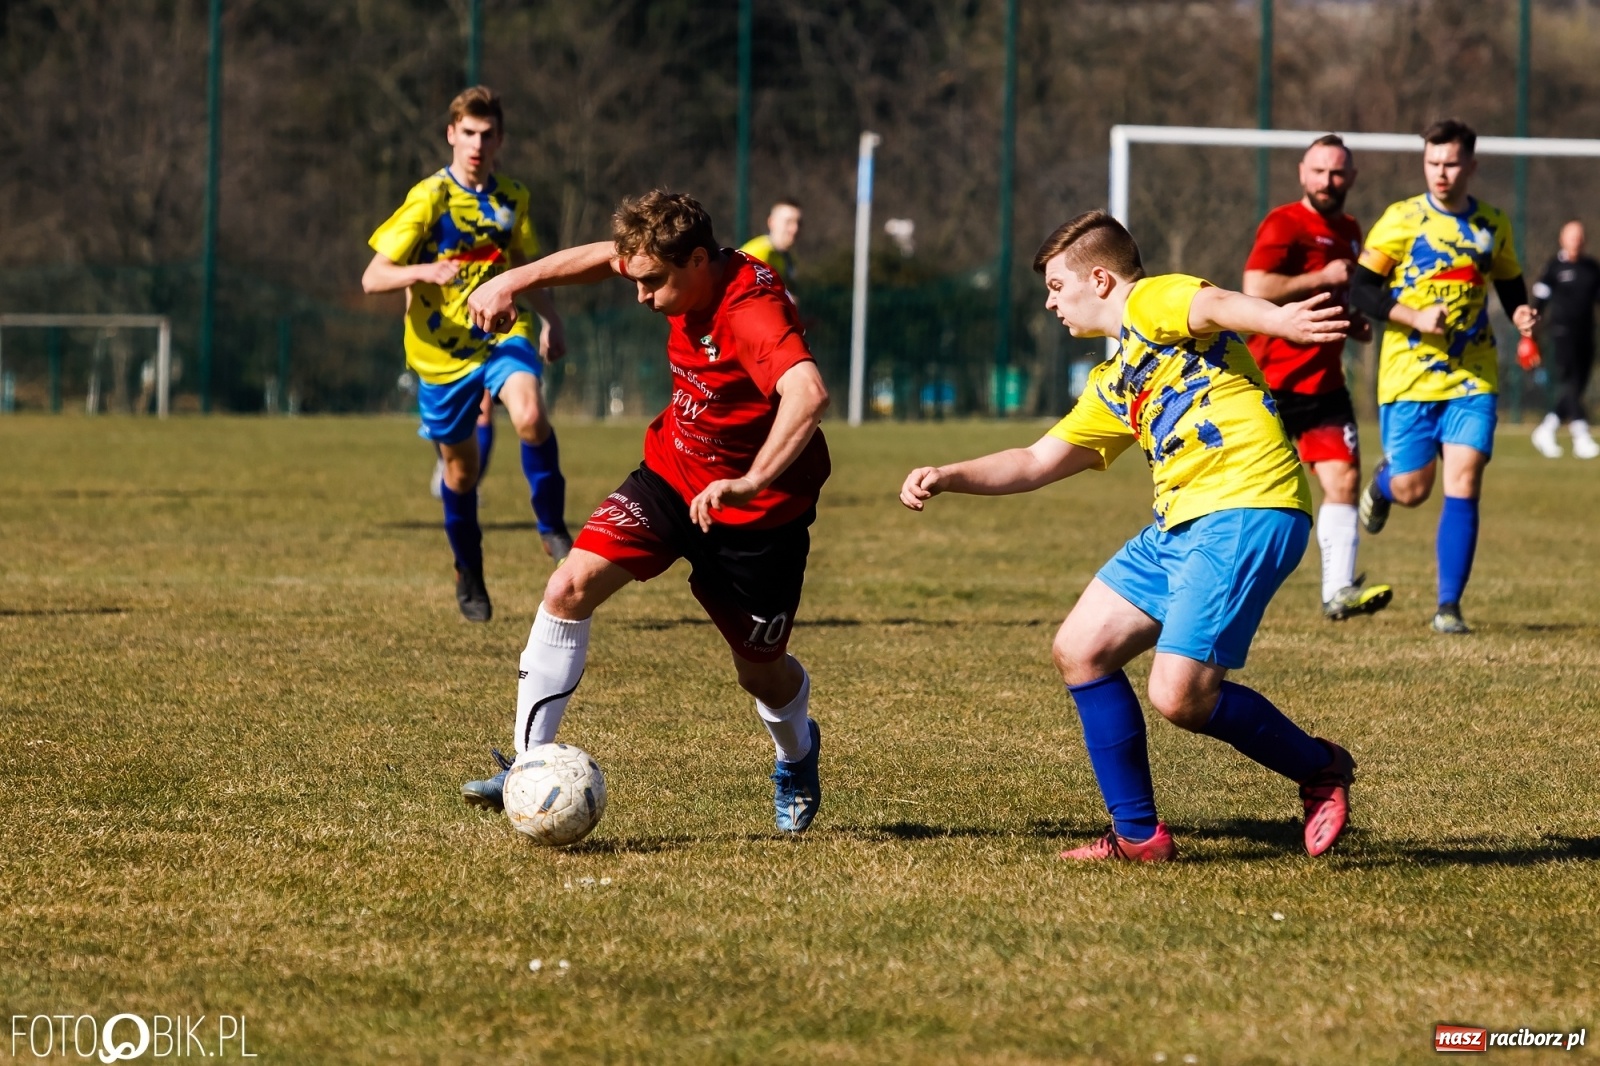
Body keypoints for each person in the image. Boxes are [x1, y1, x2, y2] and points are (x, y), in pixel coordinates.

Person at [899, 210, 1357, 863]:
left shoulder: (1151, 299)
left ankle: (1319, 768)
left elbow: (1215, 304)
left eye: (1057, 287)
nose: (1051, 302)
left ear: (1100, 279)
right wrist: (949, 475)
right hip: (1179, 525)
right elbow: (1036, 460)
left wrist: (1282, 320)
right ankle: (1139, 836)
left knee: (1179, 695)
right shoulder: (1115, 381)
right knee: (1081, 649)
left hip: (1246, 506)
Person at [459, 190, 833, 833]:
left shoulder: (752, 312)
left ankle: (797, 753)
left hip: (756, 514)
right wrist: (510, 282)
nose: (640, 296)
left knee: (761, 672)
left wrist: (749, 482)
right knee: (569, 586)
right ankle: (528, 763)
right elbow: (607, 259)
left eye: (653, 283)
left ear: (697, 260)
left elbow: (809, 393)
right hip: (669, 476)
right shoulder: (668, 264)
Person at [362, 85, 573, 623]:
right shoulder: (429, 198)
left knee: (529, 414)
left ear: (500, 139)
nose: (477, 143)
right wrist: (422, 271)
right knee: (460, 475)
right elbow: (373, 277)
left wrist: (550, 319)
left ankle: (551, 525)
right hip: (440, 354)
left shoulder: (512, 198)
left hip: (502, 333)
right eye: (468, 133)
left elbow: (526, 265)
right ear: (452, 134)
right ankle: (469, 570)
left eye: (488, 134)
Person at [1351, 119, 1538, 635]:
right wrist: (1413, 317)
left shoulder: (1492, 224)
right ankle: (1384, 486)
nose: (1441, 172)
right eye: (1433, 162)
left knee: (1465, 478)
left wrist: (1522, 314)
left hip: (1472, 374)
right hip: (1409, 376)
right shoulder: (1400, 219)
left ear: (1471, 166)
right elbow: (1361, 292)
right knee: (1414, 489)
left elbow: (1510, 285)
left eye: (1451, 163)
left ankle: (1448, 607)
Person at [1243, 135, 1391, 622]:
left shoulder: (1351, 228)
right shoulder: (1283, 222)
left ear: (1351, 178)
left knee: (1344, 480)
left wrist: (1352, 320)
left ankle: (1338, 591)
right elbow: (1256, 288)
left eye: (1338, 173)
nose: (1329, 181)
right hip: (1271, 382)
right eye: (1320, 171)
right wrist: (1321, 278)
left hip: (1325, 385)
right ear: (1302, 172)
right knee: (1251, 494)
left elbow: (1338, 296)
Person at [1529, 220, 1600, 460]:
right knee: (1569, 381)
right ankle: (1581, 434)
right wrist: (1529, 335)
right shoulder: (1553, 268)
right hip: (1560, 333)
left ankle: (1547, 428)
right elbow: (1539, 302)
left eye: (1579, 238)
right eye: (1572, 237)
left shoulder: (1592, 268)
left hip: (1586, 334)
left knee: (1577, 385)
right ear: (1562, 239)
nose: (1576, 242)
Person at [739, 200, 802, 291]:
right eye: (788, 222)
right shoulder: (758, 253)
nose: (795, 228)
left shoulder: (788, 258)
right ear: (771, 222)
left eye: (799, 223)